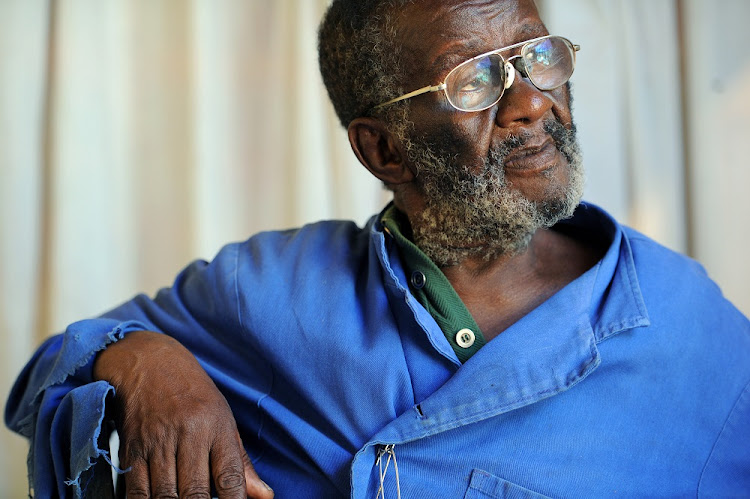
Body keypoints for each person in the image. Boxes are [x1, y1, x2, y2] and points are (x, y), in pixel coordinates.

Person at [6, 0, 750, 497]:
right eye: (476, 80)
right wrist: (144, 362)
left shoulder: (694, 331)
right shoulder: (269, 288)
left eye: (541, 56)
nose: (530, 102)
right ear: (383, 149)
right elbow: (47, 373)